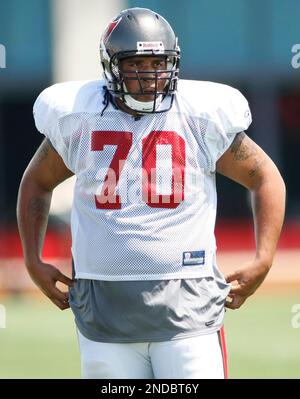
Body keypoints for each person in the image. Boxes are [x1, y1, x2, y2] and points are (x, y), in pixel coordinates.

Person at [17, 7, 286, 379]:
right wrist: (32, 257)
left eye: (158, 63)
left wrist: (265, 256)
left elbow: (265, 177)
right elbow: (37, 183)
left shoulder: (199, 115)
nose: (150, 76)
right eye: (137, 64)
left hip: (188, 312)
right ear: (111, 66)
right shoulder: (80, 114)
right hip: (104, 317)